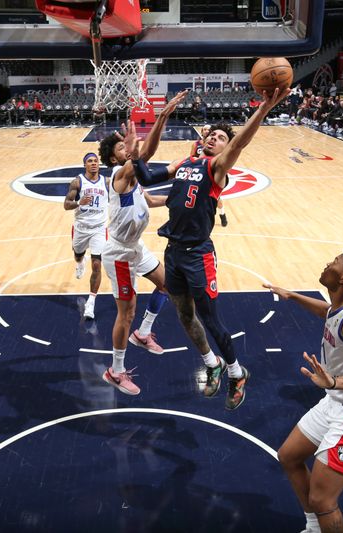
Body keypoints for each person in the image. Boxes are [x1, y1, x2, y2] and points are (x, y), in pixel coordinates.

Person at [135, 87, 290, 409]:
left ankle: (236, 372)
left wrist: (262, 109)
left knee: (210, 319)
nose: (212, 138)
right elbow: (148, 180)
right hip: (173, 252)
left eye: (219, 137)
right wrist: (134, 156)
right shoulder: (186, 162)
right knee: (184, 314)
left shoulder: (217, 169)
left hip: (198, 255)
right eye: (211, 135)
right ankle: (212, 363)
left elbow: (240, 143)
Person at [265, 247, 343, 533]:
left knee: (323, 499)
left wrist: (334, 382)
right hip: (335, 400)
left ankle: (320, 520)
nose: (327, 264)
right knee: (289, 456)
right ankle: (314, 527)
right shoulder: (339, 305)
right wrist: (293, 296)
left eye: (334, 262)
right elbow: (327, 312)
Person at [98, 91, 188, 395]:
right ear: (114, 157)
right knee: (126, 313)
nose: (129, 147)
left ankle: (144, 333)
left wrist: (180, 201)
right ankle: (116, 370)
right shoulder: (119, 175)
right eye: (123, 146)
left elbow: (150, 198)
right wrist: (162, 116)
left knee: (168, 286)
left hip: (136, 248)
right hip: (120, 254)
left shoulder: (134, 182)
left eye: (128, 144)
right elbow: (144, 158)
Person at [64, 152, 109, 319]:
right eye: (90, 161)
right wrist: (79, 202)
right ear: (85, 165)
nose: (93, 163)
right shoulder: (77, 182)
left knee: (97, 265)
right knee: (77, 255)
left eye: (96, 161)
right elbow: (66, 205)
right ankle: (80, 262)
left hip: (99, 228)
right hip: (81, 228)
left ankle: (91, 302)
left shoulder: (107, 182)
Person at [189, 125, 229, 227]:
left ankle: (222, 214)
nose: (207, 131)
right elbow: (191, 156)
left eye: (208, 129)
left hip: (211, 170)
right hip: (199, 171)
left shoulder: (216, 147)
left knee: (217, 198)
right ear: (202, 132)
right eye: (205, 129)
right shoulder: (196, 144)